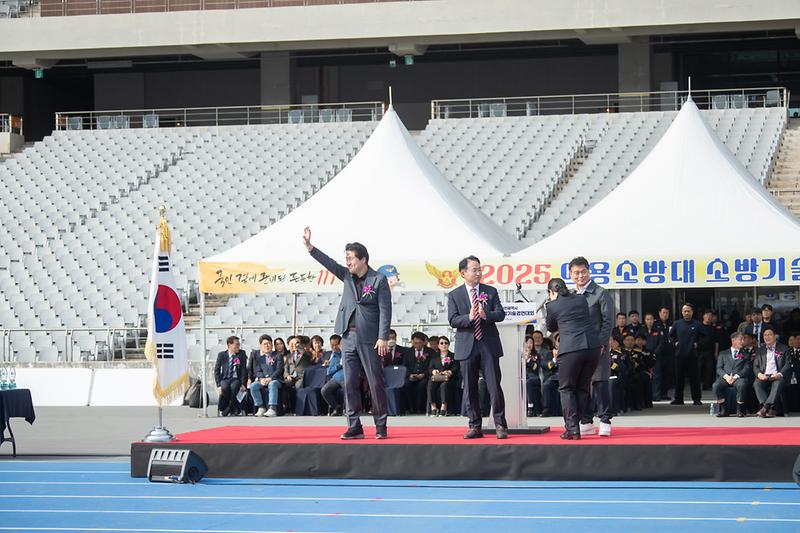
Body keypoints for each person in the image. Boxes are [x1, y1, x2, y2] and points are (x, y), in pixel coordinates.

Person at [304, 227, 391, 440]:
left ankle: (380, 425)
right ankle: (354, 425)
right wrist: (310, 247)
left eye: (351, 258)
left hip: (370, 339)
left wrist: (383, 337)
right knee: (349, 382)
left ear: (363, 259)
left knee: (375, 382)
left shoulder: (378, 280)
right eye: (347, 258)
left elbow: (385, 310)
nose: (348, 262)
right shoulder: (346, 276)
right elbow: (329, 263)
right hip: (348, 337)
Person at [447, 255, 508, 439]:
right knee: (470, 387)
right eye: (474, 270)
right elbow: (452, 320)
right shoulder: (454, 295)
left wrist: (485, 315)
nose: (478, 273)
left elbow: (501, 314)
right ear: (463, 273)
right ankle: (475, 425)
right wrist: (469, 317)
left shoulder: (490, 291)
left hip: (488, 343)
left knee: (494, 386)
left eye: (480, 269)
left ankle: (500, 424)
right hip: (467, 345)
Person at [545, 277, 601, 440]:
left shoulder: (552, 305)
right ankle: (578, 425)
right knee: (583, 387)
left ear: (551, 292)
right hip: (592, 347)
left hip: (571, 348)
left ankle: (573, 429)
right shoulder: (580, 299)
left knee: (566, 388)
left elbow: (551, 327)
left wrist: (553, 304)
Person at [568, 256, 614, 438]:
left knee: (600, 382)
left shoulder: (600, 293)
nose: (580, 276)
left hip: (597, 346)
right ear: (571, 274)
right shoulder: (570, 295)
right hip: (577, 346)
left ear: (589, 271)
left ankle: (605, 420)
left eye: (583, 272)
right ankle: (586, 420)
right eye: (576, 273)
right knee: (581, 384)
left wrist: (601, 343)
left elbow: (608, 321)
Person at [669, 303, 705, 406]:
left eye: (688, 311)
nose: (686, 313)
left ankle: (696, 399)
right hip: (679, 355)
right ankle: (678, 399)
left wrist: (698, 344)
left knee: (695, 379)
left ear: (692, 312)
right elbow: (670, 336)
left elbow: (705, 337)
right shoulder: (677, 323)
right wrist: (675, 343)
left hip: (693, 355)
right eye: (684, 311)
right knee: (679, 378)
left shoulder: (697, 324)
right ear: (682, 312)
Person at [712, 332, 752, 418]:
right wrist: (726, 377)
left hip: (738, 378)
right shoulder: (723, 353)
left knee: (742, 384)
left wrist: (736, 376)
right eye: (740, 339)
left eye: (743, 339)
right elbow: (719, 368)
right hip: (725, 378)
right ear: (733, 340)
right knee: (716, 386)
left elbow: (747, 368)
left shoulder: (746, 354)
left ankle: (739, 409)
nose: (742, 341)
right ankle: (724, 408)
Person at [753, 327, 790, 418]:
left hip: (777, 376)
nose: (767, 337)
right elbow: (755, 366)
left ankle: (765, 407)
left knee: (777, 383)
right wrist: (759, 374)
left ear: (775, 336)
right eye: (765, 335)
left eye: (769, 334)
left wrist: (779, 374)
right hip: (764, 376)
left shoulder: (784, 348)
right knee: (757, 384)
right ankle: (768, 407)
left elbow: (788, 364)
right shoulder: (760, 350)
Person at [249, 334, 284, 417]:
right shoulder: (259, 358)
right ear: (261, 346)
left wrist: (270, 378)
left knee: (272, 384)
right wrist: (261, 379)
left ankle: (272, 408)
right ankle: (261, 407)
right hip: (263, 380)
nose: (267, 346)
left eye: (269, 344)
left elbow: (279, 370)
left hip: (275, 379)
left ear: (272, 345)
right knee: (253, 386)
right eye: (264, 344)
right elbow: (257, 371)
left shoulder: (278, 355)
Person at [214, 336, 248, 417]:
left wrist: (243, 384)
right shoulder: (222, 355)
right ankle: (234, 407)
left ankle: (228, 408)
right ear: (230, 345)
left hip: (236, 378)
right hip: (225, 378)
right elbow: (217, 370)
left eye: (239, 344)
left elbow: (244, 369)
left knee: (234, 387)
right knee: (225, 387)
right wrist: (218, 385)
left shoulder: (241, 354)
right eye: (236, 344)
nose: (238, 346)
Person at [403, 331, 433, 414]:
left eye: (419, 343)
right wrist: (410, 374)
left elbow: (431, 366)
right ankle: (410, 408)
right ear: (412, 342)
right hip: (411, 375)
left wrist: (424, 374)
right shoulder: (408, 352)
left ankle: (420, 408)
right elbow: (405, 365)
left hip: (424, 376)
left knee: (422, 386)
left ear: (424, 342)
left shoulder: (430, 352)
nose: (417, 345)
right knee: (406, 384)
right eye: (415, 343)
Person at [427, 335, 458, 416]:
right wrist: (434, 371)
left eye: (446, 343)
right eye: (441, 343)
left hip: (448, 379)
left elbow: (456, 368)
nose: (444, 345)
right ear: (438, 345)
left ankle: (443, 406)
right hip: (437, 378)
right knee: (430, 384)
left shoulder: (453, 356)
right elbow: (430, 368)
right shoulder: (434, 356)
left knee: (444, 385)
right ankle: (433, 406)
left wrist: (449, 372)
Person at [652, 306, 674, 401]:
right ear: (659, 313)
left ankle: (664, 393)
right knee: (658, 375)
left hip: (669, 352)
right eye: (663, 312)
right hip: (659, 353)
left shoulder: (671, 323)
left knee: (667, 374)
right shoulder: (655, 324)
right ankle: (657, 394)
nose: (665, 315)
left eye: (667, 313)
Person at [321, 335, 345, 416]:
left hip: (346, 377)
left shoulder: (347, 353)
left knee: (348, 390)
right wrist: (339, 365)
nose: (334, 347)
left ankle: (347, 409)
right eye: (332, 345)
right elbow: (329, 371)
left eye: (336, 345)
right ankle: (337, 407)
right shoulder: (333, 355)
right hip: (335, 378)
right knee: (324, 390)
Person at [697, 310, 719, 391]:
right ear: (703, 316)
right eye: (707, 315)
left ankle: (707, 385)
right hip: (699, 351)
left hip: (709, 351)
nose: (709, 317)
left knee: (709, 369)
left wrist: (716, 352)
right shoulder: (698, 327)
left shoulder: (713, 328)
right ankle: (696, 385)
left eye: (710, 316)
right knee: (698, 369)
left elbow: (716, 341)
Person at [525, 334, 543, 417]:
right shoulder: (519, 354)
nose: (529, 345)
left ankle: (530, 407)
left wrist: (528, 359)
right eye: (527, 343)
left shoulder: (536, 355)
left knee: (529, 382)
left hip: (533, 377)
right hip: (522, 377)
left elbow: (535, 367)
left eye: (531, 343)